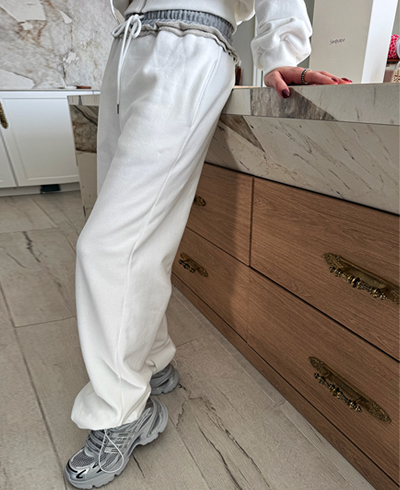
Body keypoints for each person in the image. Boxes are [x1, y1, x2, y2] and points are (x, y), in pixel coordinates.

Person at [64, 1, 351, 488]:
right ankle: (151, 360)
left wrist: (280, 52)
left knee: (107, 246)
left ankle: (122, 412)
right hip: (127, 48)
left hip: (191, 44)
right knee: (139, 239)